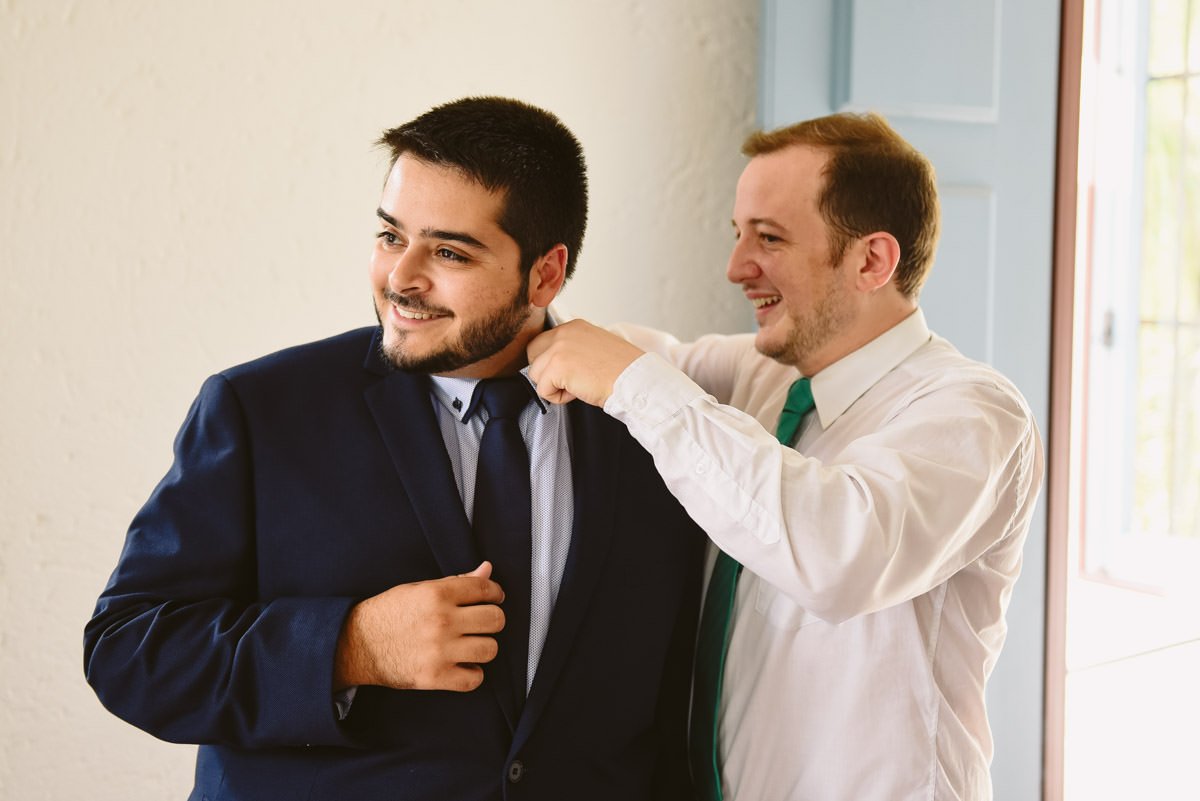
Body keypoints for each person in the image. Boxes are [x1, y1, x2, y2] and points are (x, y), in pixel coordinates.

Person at [84, 96, 705, 801]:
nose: (400, 278)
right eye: (389, 236)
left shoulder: (652, 428)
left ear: (545, 274)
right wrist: (351, 645)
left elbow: (666, 718)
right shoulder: (261, 409)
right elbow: (128, 652)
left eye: (447, 251)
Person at [528, 111, 1045, 800]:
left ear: (872, 260)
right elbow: (622, 355)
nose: (737, 268)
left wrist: (632, 381)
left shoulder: (973, 413)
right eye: (738, 235)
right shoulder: (765, 374)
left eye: (768, 238)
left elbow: (838, 552)